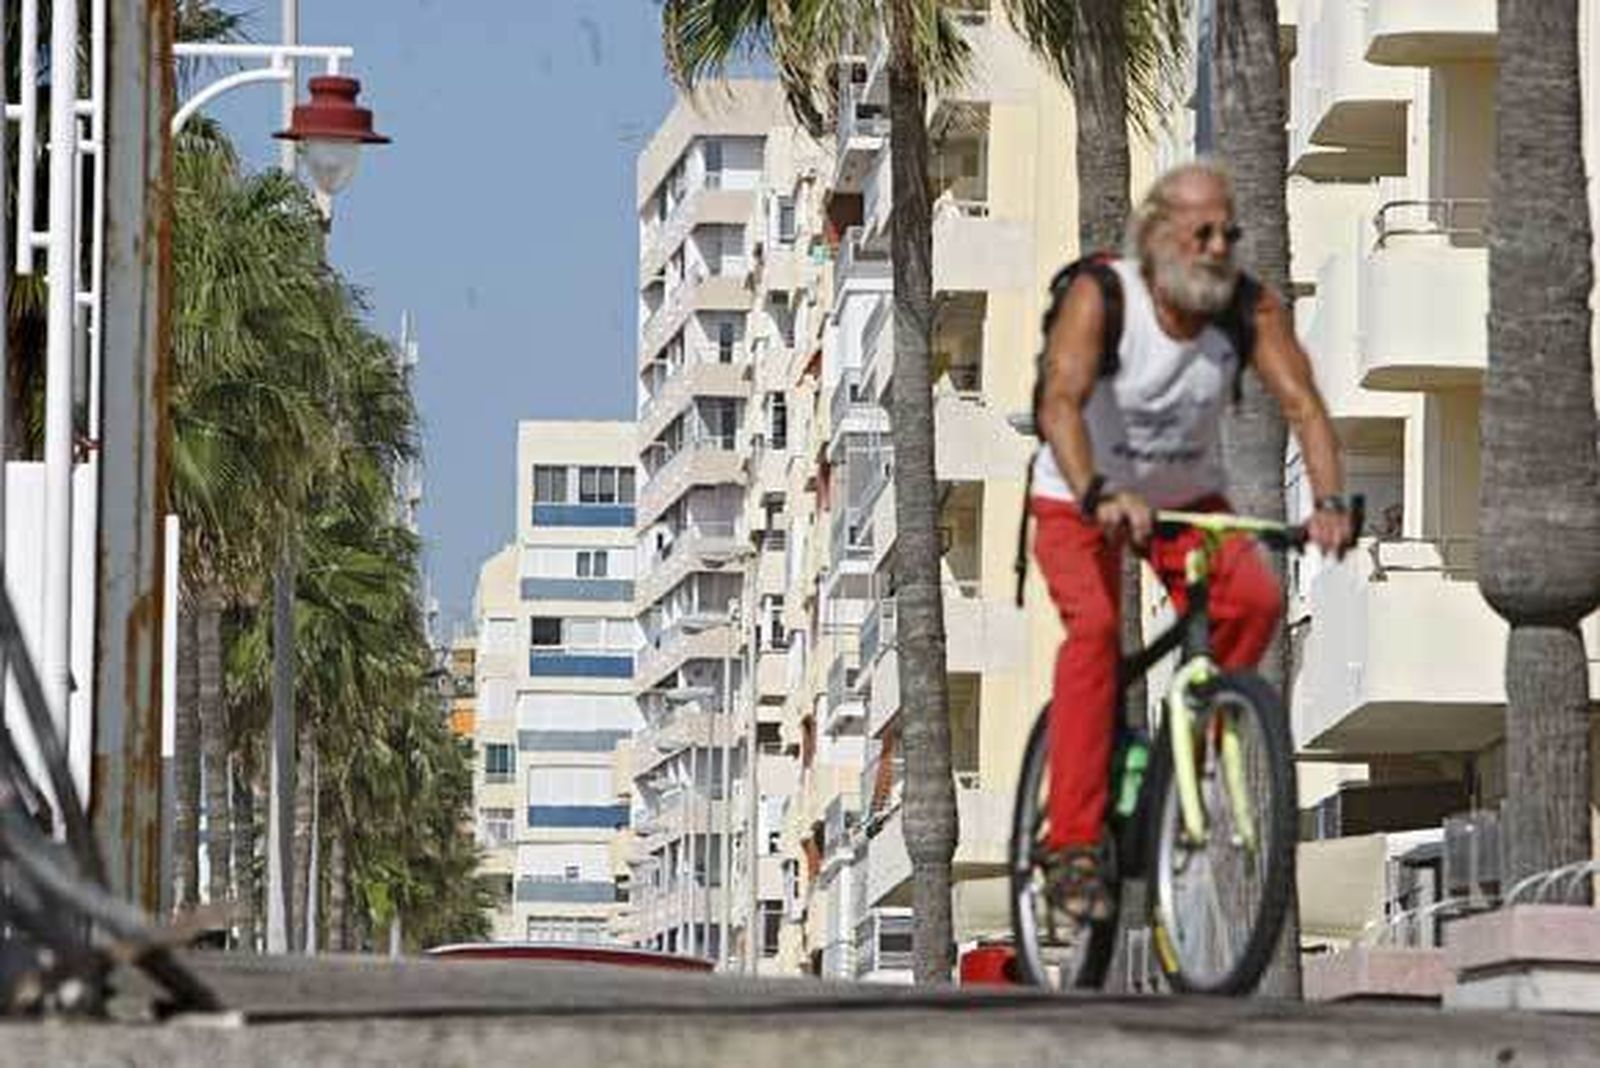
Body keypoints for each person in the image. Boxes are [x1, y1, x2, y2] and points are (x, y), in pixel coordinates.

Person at [1031, 161, 1352, 919]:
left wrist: (1331, 501)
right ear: (1157, 235)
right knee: (1098, 632)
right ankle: (1072, 846)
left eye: (1226, 233)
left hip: (1183, 502)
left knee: (1254, 600)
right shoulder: (1104, 296)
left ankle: (1193, 761)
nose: (1216, 247)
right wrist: (1099, 493)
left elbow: (1304, 406)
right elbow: (1060, 403)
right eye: (1199, 232)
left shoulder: (1249, 309)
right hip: (1078, 496)